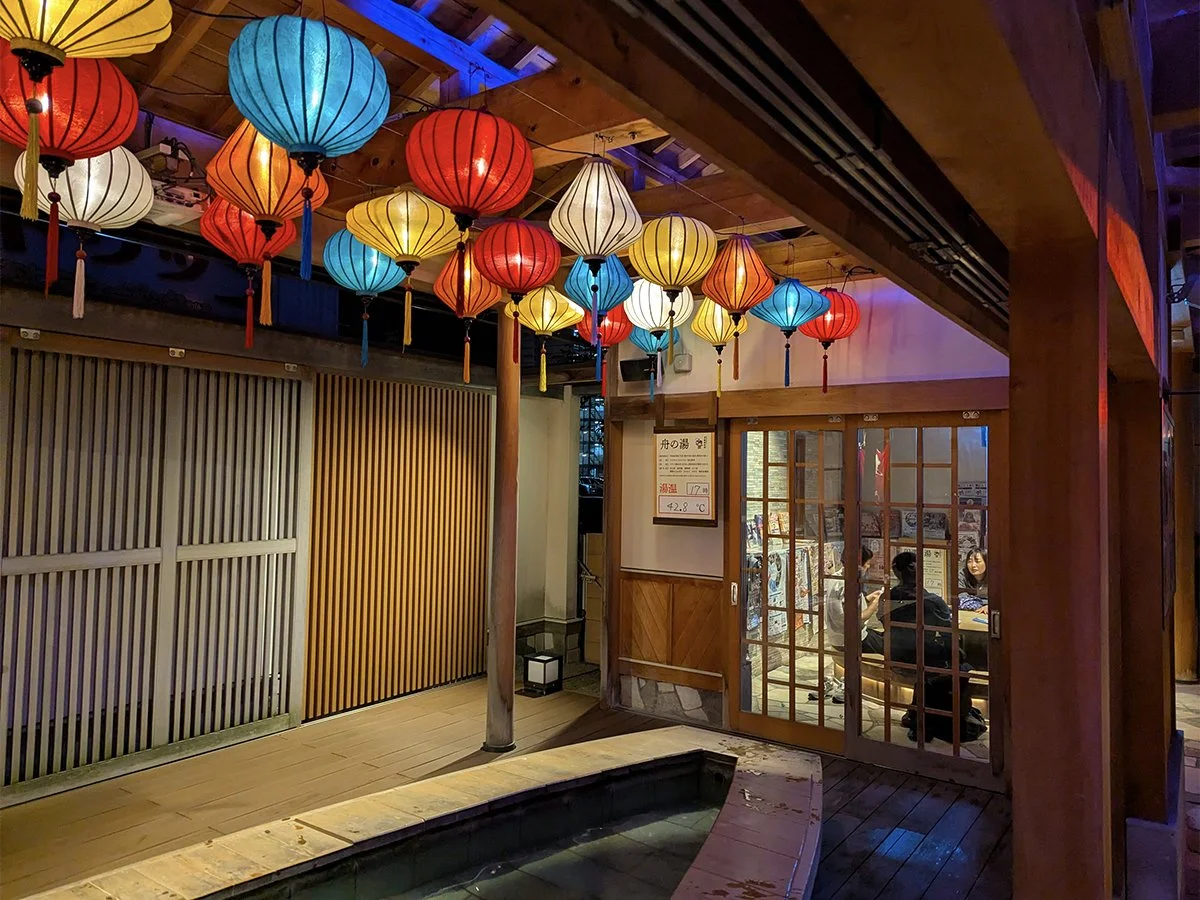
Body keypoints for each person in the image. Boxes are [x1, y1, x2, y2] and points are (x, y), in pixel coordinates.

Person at [810, 546, 882, 704]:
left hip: (836, 636)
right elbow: (855, 619)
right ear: (858, 565)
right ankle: (848, 683)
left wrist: (868, 598)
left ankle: (837, 681)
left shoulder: (835, 578)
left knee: (881, 636)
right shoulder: (850, 585)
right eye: (867, 564)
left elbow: (844, 608)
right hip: (850, 639)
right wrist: (875, 604)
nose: (868, 567)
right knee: (891, 644)